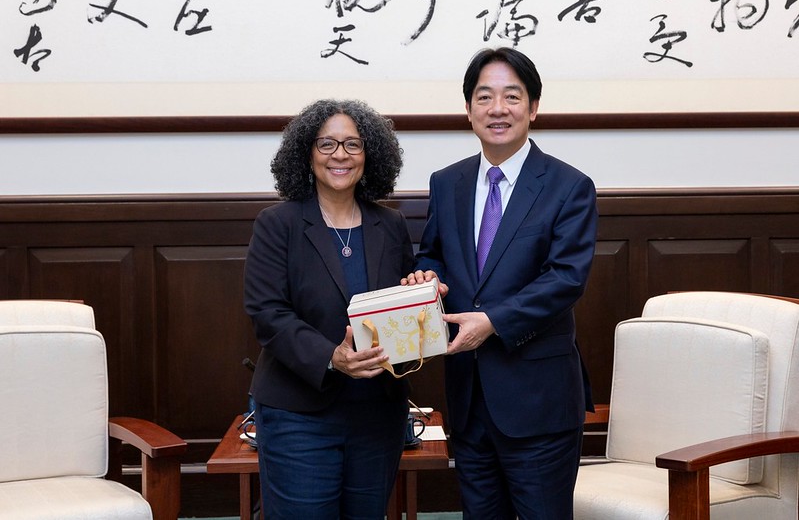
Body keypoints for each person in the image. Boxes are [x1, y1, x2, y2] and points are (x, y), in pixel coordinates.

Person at [405, 47, 597, 519]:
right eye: (484, 96)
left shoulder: (569, 186)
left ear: (533, 108)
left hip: (538, 400)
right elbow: (434, 253)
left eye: (512, 96)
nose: (498, 109)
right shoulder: (447, 182)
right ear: (468, 108)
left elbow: (565, 278)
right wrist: (427, 277)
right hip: (468, 398)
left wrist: (492, 321)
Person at [243, 99, 415, 518]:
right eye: (327, 144)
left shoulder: (391, 225)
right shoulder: (277, 224)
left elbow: (400, 311)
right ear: (307, 153)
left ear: (369, 155)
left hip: (378, 413)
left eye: (353, 144)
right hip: (298, 414)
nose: (341, 155)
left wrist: (421, 294)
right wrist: (332, 357)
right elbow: (268, 313)